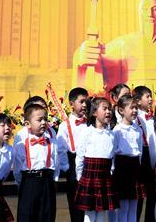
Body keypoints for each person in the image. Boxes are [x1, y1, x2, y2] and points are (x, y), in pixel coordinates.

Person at [13, 102, 62, 222]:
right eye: (39, 120)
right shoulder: (22, 144)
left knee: (47, 214)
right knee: (27, 214)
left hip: (47, 181)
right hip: (29, 181)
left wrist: (54, 180)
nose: (44, 122)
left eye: (45, 119)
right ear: (27, 124)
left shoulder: (52, 142)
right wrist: (21, 183)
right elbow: (17, 168)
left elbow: (56, 163)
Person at [75, 97, 119, 221]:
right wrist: (80, 176)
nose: (108, 112)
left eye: (109, 109)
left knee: (101, 211)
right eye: (104, 108)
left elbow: (112, 155)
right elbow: (80, 155)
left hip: (104, 176)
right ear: (94, 112)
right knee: (89, 213)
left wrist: (111, 170)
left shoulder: (111, 134)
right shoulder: (87, 132)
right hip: (90, 176)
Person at [57, 87, 89, 222]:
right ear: (71, 104)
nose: (85, 105)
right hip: (73, 163)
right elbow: (61, 148)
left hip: (89, 163)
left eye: (86, 101)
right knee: (76, 203)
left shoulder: (90, 122)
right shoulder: (65, 125)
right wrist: (66, 168)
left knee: (90, 202)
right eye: (81, 101)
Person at [115, 95, 147, 222]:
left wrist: (138, 168)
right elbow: (113, 152)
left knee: (134, 205)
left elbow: (139, 151)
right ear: (121, 110)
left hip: (135, 168)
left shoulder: (138, 129)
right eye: (131, 108)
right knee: (123, 207)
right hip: (122, 168)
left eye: (136, 108)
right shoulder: (117, 130)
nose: (135, 110)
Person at [132, 85, 155, 222]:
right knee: (139, 195)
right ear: (138, 101)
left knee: (152, 193)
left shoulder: (152, 117)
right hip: (141, 155)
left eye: (151, 96)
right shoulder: (136, 117)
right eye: (147, 96)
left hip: (152, 155)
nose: (151, 99)